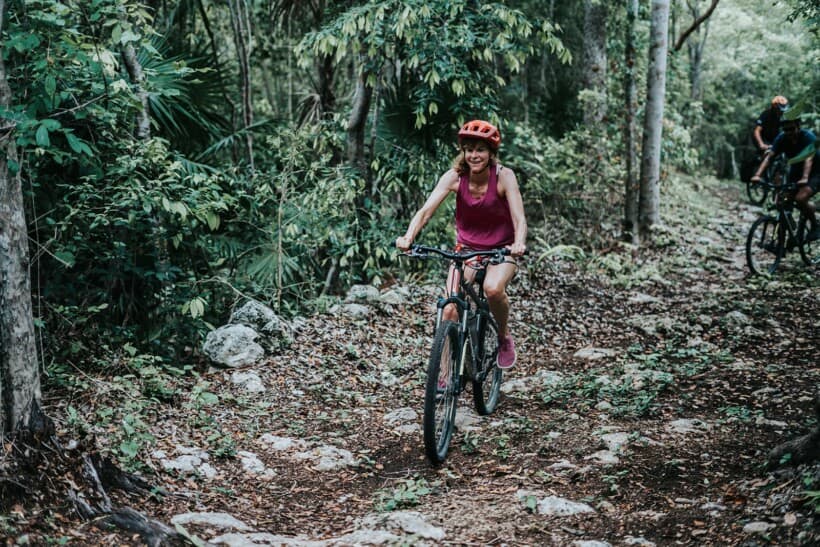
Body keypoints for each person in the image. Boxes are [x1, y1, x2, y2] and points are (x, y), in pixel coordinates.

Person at [395, 120, 527, 369]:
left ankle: (502, 337)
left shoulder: (504, 177)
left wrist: (518, 243)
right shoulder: (455, 177)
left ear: (491, 153)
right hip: (466, 250)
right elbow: (425, 211)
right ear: (463, 152)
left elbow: (519, 219)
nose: (474, 155)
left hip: (502, 249)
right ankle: (444, 375)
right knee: (449, 309)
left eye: (480, 149)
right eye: (469, 149)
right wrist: (408, 237)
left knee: (492, 289)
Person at [751, 115, 820, 240]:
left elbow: (809, 159)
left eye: (792, 129)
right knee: (781, 202)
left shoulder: (808, 137)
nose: (789, 133)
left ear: (798, 127)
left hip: (816, 171)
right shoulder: (781, 139)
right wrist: (757, 175)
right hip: (797, 171)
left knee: (800, 198)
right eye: (786, 130)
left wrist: (804, 178)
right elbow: (769, 157)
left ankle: (815, 226)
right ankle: (781, 245)